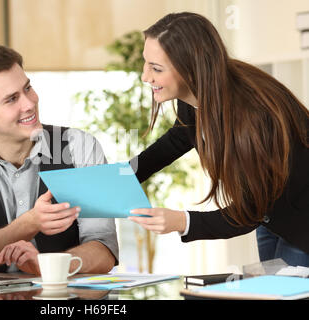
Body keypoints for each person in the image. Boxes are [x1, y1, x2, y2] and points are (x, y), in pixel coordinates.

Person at [128, 12, 309, 266]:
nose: (145, 77)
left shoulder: (251, 113)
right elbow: (178, 139)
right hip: (271, 212)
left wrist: (182, 221)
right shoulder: (198, 94)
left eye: (156, 68)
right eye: (146, 64)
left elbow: (248, 212)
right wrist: (125, 175)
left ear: (190, 69)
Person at [0, 44, 118, 275]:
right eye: (12, 99)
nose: (29, 103)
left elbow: (104, 251)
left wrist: (48, 266)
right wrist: (30, 223)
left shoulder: (80, 147)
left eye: (28, 88)